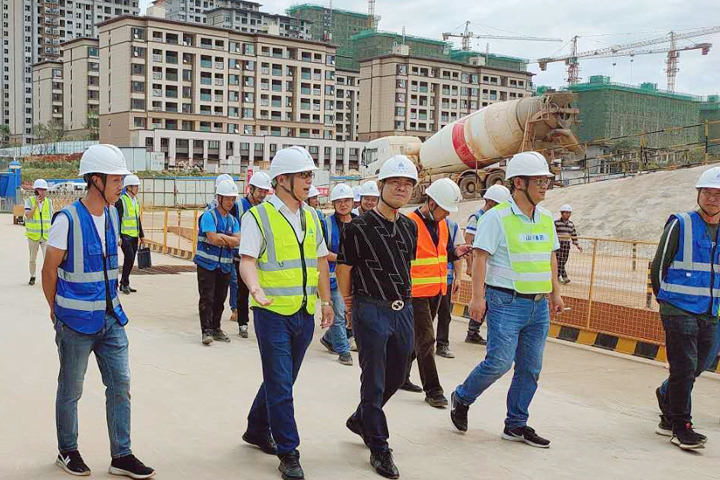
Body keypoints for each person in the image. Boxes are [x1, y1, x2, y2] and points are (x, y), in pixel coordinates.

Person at [41, 144, 155, 478]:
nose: (122, 185)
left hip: (111, 318)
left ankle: (122, 455)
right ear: (95, 180)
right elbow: (49, 270)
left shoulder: (113, 214)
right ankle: (67, 450)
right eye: (116, 179)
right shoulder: (67, 220)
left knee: (120, 385)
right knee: (71, 389)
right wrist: (55, 309)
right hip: (75, 322)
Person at [450, 151, 564, 449]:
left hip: (538, 306)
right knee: (499, 362)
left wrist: (555, 293)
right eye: (539, 181)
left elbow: (551, 257)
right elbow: (480, 258)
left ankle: (516, 424)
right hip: (505, 302)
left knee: (530, 368)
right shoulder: (496, 218)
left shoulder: (546, 218)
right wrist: (477, 299)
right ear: (519, 183)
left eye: (546, 180)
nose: (545, 186)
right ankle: (462, 397)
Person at [239, 146, 333, 480]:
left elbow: (320, 260)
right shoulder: (258, 217)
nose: (309, 181)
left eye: (310, 175)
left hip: (303, 313)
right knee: (281, 385)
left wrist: (326, 302)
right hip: (271, 313)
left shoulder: (312, 217)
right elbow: (247, 260)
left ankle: (256, 427)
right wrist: (255, 288)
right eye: (303, 175)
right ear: (282, 180)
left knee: (282, 379)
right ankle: (288, 451)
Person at [337, 155, 419, 479]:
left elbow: (404, 266)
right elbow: (344, 268)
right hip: (370, 308)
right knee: (373, 379)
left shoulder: (410, 227)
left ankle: (361, 419)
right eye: (395, 182)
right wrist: (348, 306)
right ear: (381, 185)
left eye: (408, 184)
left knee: (397, 375)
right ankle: (379, 446)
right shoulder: (357, 228)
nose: (402, 188)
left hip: (403, 309)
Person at [650, 167, 720, 450]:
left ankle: (666, 394)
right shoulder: (681, 223)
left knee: (701, 363)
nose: (712, 198)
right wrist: (666, 300)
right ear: (698, 194)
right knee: (684, 366)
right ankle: (681, 427)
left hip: (712, 311)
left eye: (718, 194)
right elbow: (659, 266)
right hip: (678, 308)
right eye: (707, 193)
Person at [404, 178, 471, 408]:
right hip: (415, 292)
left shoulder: (442, 224)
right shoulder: (409, 223)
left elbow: (442, 253)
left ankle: (399, 374)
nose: (447, 214)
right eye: (445, 209)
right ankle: (433, 390)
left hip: (437, 290)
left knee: (419, 339)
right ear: (431, 203)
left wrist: (456, 252)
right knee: (426, 340)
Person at [462, 184, 511, 345]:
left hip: (490, 267)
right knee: (481, 299)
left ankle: (475, 331)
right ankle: (472, 332)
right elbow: (468, 244)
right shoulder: (477, 218)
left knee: (488, 301)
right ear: (490, 202)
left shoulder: (496, 217)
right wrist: (470, 266)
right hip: (480, 266)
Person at [194, 179, 240, 345]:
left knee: (220, 298)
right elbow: (213, 238)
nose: (230, 202)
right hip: (206, 264)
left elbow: (238, 241)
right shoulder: (209, 216)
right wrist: (228, 239)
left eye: (233, 199)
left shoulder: (233, 220)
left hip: (225, 265)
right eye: (227, 198)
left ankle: (216, 328)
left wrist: (223, 238)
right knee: (207, 297)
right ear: (219, 198)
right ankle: (206, 330)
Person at [228, 171, 271, 337]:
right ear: (250, 189)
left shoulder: (266, 208)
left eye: (265, 191)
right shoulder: (238, 206)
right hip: (241, 255)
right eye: (260, 190)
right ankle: (243, 323)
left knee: (262, 289)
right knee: (243, 290)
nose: (262, 194)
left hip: (261, 256)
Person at [319, 183, 357, 366]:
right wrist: (344, 259)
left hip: (356, 278)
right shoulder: (326, 224)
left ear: (353, 202)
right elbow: (321, 252)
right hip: (333, 279)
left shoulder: (360, 223)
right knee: (339, 315)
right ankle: (343, 351)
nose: (343, 204)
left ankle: (329, 338)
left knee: (353, 314)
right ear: (333, 203)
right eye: (339, 201)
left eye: (347, 200)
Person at [435, 217, 463, 359]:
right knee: (421, 316)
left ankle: (442, 344)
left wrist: (458, 277)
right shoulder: (417, 221)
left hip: (445, 279)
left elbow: (457, 254)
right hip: (422, 281)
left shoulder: (452, 226)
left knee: (445, 313)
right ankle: (415, 345)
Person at [115, 175, 145, 295]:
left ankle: (125, 282)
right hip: (125, 236)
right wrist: (118, 237)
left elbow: (137, 219)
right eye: (135, 186)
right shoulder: (121, 201)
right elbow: (117, 220)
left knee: (131, 260)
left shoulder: (135, 201)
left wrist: (141, 235)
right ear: (129, 187)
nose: (137, 188)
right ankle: (124, 283)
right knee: (129, 258)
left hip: (134, 236)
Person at [25, 178, 53, 285]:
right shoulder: (29, 201)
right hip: (33, 236)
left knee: (48, 259)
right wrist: (36, 205)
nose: (43, 192)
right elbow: (28, 216)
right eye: (41, 189)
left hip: (45, 236)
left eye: (44, 190)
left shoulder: (49, 202)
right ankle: (32, 276)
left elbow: (51, 217)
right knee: (33, 258)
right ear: (36, 190)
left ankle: (47, 278)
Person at [554, 204, 582, 284]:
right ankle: (564, 277)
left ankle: (556, 276)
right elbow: (552, 234)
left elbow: (573, 235)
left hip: (566, 245)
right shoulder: (556, 223)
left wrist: (577, 245)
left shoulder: (571, 224)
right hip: (558, 244)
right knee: (559, 261)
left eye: (569, 213)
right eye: (566, 213)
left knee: (564, 261)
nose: (568, 214)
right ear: (562, 213)